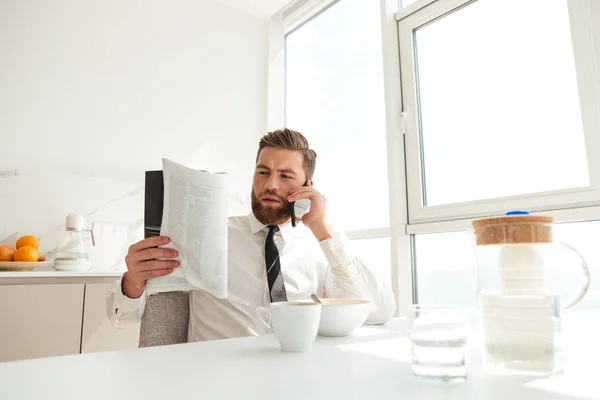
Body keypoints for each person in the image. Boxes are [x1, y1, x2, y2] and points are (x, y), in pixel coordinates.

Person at [107, 128, 396, 342]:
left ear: (307, 186)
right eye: (263, 172)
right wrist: (133, 280)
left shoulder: (319, 250)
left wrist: (322, 228)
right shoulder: (208, 234)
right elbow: (122, 317)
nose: (270, 184)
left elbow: (379, 311)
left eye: (285, 176)